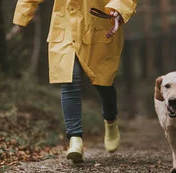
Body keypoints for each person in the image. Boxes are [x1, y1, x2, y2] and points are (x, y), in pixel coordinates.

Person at [12, 0, 137, 163]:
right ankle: (75, 138)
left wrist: (119, 8)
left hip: (97, 27)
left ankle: (111, 119)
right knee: (70, 80)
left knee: (103, 82)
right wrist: (23, 15)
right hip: (65, 28)